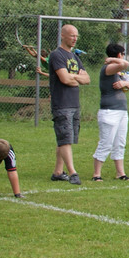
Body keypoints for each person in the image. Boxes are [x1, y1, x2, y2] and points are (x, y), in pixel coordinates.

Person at [48, 24, 89, 185]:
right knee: (65, 139)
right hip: (62, 103)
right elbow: (64, 79)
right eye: (72, 35)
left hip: (74, 103)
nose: (74, 39)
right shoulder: (56, 55)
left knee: (66, 138)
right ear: (63, 35)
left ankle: (58, 172)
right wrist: (76, 77)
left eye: (76, 36)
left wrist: (74, 78)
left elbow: (87, 79)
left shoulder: (74, 57)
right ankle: (73, 173)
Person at [91, 43, 129, 182]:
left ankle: (120, 173)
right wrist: (113, 60)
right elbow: (125, 63)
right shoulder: (109, 68)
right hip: (109, 111)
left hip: (122, 111)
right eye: (122, 54)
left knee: (120, 142)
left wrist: (124, 83)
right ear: (118, 55)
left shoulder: (120, 71)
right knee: (106, 142)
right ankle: (96, 174)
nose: (123, 56)